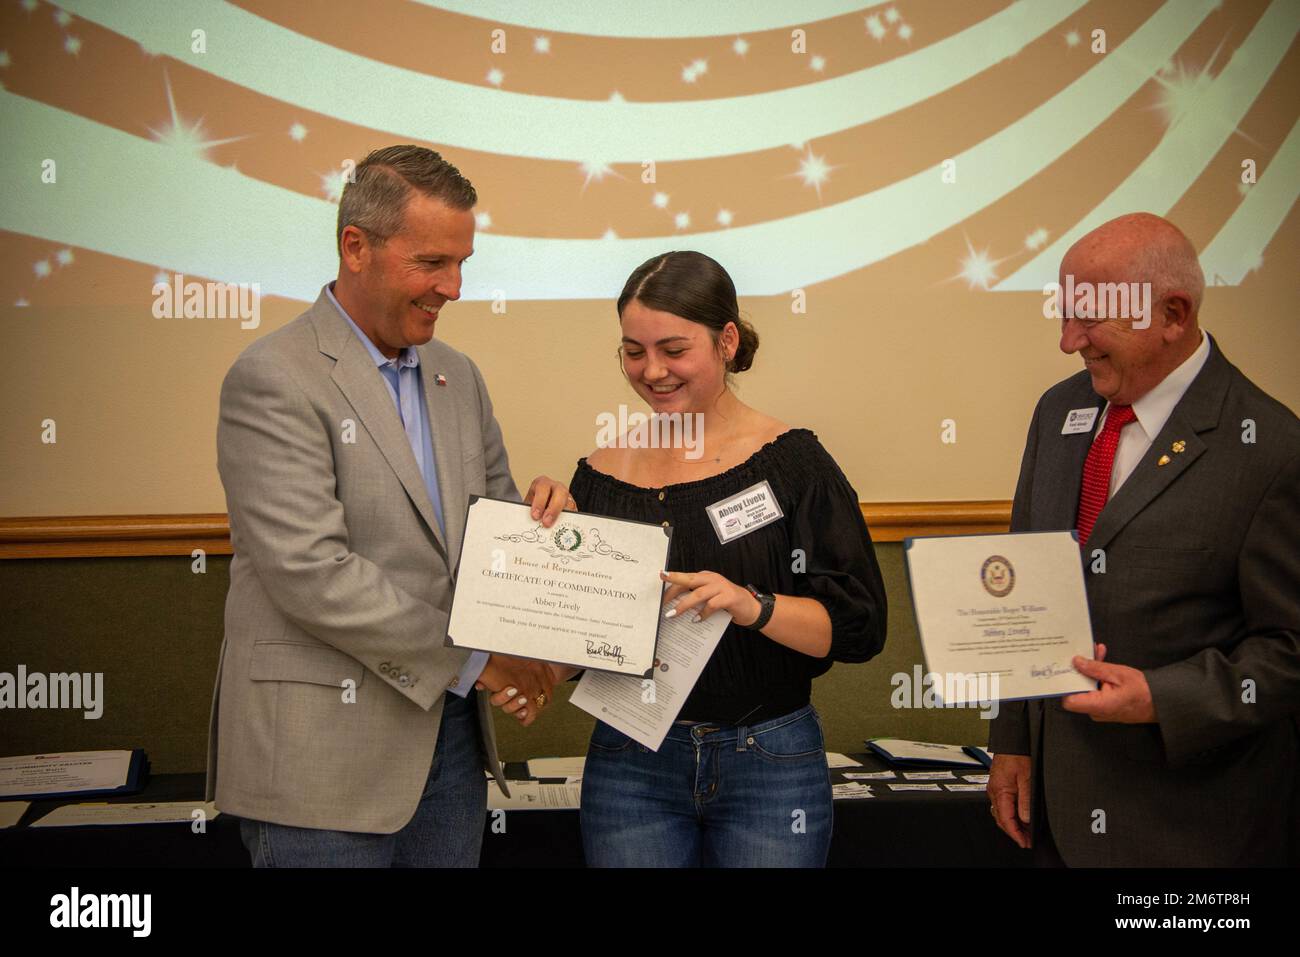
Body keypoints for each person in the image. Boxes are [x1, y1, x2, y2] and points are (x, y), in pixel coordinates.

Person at [207, 145, 574, 867]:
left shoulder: (456, 375)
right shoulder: (272, 377)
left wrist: (542, 526)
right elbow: (312, 573)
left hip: (450, 756)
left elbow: (491, 538)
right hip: (321, 769)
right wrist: (481, 662)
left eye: (463, 263)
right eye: (433, 262)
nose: (455, 287)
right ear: (356, 247)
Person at [490, 250, 887, 866]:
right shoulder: (599, 474)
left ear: (726, 341)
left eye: (675, 350)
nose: (652, 371)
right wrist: (541, 648)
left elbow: (860, 629)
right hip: (631, 763)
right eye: (633, 351)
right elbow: (594, 632)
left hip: (770, 761)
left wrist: (751, 605)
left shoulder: (793, 463)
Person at [987, 212, 1300, 867]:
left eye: (1090, 318)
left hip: (1184, 828)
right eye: (1064, 314)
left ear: (1174, 314)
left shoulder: (1269, 448)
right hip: (1051, 817)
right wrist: (1012, 738)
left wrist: (1163, 698)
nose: (1069, 340)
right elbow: (1024, 583)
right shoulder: (1058, 412)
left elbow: (1289, 649)